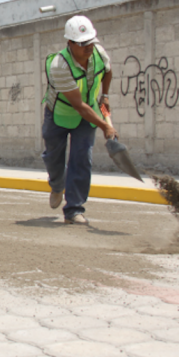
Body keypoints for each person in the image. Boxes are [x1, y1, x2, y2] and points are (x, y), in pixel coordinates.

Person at [42, 15, 117, 225]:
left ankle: (74, 209)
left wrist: (106, 95)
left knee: (81, 159)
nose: (88, 47)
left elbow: (108, 72)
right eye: (82, 44)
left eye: (90, 42)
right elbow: (77, 105)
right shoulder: (59, 65)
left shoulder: (99, 54)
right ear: (70, 43)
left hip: (87, 115)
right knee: (53, 158)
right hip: (60, 114)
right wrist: (105, 126)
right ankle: (57, 185)